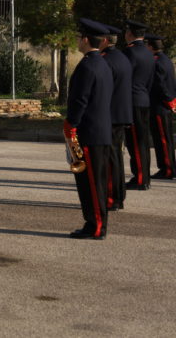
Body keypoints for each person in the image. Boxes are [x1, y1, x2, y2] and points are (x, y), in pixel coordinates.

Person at [66, 19, 113, 240]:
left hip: (90, 132)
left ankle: (96, 225)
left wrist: (71, 124)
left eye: (78, 37)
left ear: (85, 39)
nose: (77, 40)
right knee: (95, 182)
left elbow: (80, 100)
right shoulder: (102, 63)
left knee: (92, 184)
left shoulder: (88, 65)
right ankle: (93, 222)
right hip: (100, 129)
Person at [100, 25, 133, 211]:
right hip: (121, 114)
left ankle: (113, 198)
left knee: (110, 159)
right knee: (116, 158)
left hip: (110, 115)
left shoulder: (107, 61)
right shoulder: (121, 57)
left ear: (104, 40)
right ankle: (118, 195)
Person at [123, 19, 154, 190]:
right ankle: (145, 176)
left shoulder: (130, 53)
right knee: (143, 141)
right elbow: (150, 80)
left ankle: (141, 178)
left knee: (134, 142)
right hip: (144, 99)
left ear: (130, 34)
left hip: (132, 101)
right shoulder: (149, 53)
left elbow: (125, 78)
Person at [145, 34, 176, 179]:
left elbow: (160, 85)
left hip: (159, 106)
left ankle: (167, 169)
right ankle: (169, 167)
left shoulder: (157, 62)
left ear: (150, 47)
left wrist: (168, 100)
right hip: (165, 105)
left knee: (162, 139)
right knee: (166, 138)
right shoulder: (166, 60)